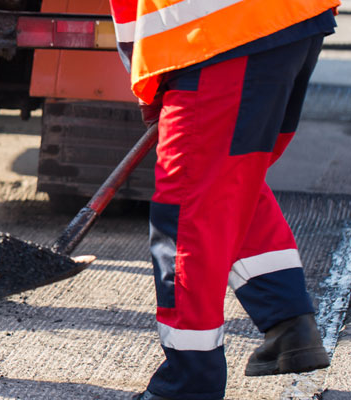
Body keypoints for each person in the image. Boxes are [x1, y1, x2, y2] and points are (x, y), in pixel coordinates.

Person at [108, 0, 342, 398]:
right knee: (229, 185)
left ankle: (187, 385)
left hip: (219, 37)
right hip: (290, 21)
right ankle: (290, 326)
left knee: (186, 215)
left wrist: (151, 79)